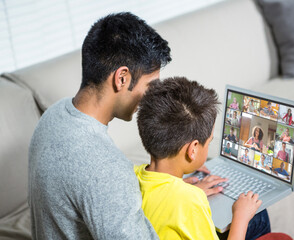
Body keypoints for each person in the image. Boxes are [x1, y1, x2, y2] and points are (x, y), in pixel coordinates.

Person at [27, 13, 221, 239]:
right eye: (151, 85)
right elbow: (103, 183)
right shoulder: (106, 169)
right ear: (121, 78)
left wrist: (175, 194)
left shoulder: (54, 115)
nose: (153, 96)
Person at [135, 77, 270, 240]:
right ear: (192, 150)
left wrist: (183, 189)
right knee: (259, 217)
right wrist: (240, 217)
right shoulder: (190, 201)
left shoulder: (134, 175)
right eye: (209, 142)